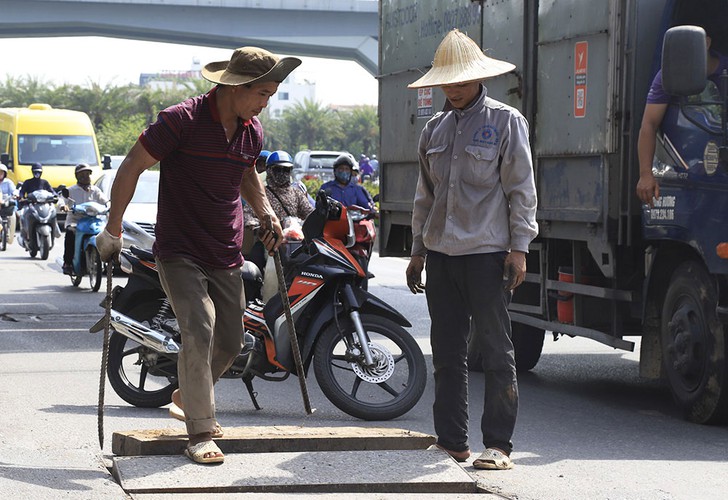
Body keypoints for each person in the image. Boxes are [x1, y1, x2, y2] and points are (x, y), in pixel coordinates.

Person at [96, 46, 301, 465]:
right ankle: (201, 432)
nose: (266, 103)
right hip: (179, 249)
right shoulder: (181, 120)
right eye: (262, 93)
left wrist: (264, 212)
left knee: (231, 339)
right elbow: (133, 165)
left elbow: (247, 173)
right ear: (238, 87)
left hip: (225, 249)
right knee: (200, 326)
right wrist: (112, 228)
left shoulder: (252, 131)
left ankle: (185, 393)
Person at [404, 29, 538, 470]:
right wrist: (418, 250)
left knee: (497, 351)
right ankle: (452, 442)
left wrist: (519, 249)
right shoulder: (434, 130)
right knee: (445, 352)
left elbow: (522, 191)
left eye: (462, 80)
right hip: (441, 256)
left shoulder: (506, 121)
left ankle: (498, 446)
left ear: (479, 79)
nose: (454, 88)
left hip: (487, 254)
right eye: (448, 81)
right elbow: (425, 195)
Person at [636, 23, 728, 206]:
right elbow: (649, 124)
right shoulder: (669, 76)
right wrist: (646, 174)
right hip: (688, 179)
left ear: (707, 42)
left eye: (688, 45)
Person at [243, 150, 314, 272]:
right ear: (269, 170)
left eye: (285, 170)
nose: (282, 173)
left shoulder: (297, 193)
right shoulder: (262, 194)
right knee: (254, 264)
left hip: (294, 244)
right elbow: (247, 214)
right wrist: (257, 225)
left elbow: (310, 213)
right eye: (278, 170)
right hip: (268, 242)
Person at [58, 163, 109, 275]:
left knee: (104, 234)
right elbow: (61, 200)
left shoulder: (95, 190)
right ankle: (68, 263)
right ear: (77, 176)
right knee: (71, 234)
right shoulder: (71, 190)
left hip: (92, 220)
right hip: (75, 221)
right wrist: (63, 206)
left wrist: (109, 204)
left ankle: (107, 260)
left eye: (88, 174)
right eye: (83, 174)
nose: (86, 176)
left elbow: (104, 200)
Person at [0, 163, 17, 243]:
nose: (0, 174)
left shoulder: (8, 182)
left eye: (2, 172)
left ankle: (11, 234)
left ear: (5, 174)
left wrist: (15, 194)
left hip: (6, 204)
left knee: (14, 216)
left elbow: (14, 191)